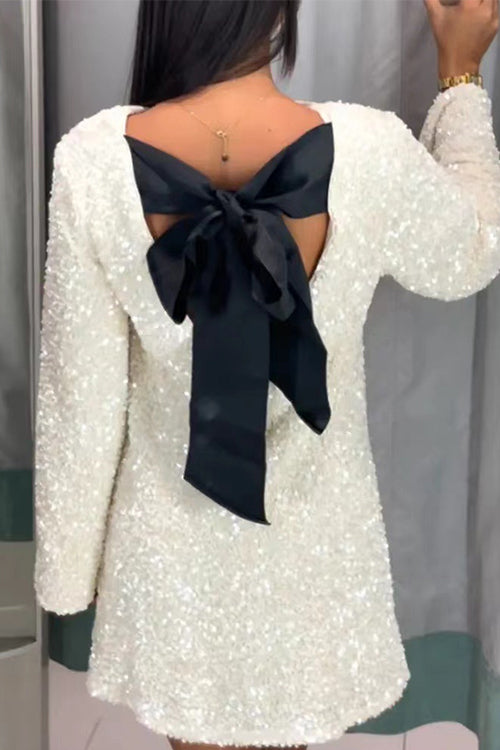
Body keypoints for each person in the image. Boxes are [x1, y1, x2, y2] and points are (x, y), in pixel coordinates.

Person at [34, 0, 500, 748]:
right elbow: (473, 247)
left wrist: (67, 576)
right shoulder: (368, 151)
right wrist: (462, 77)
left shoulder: (92, 162)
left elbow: (79, 404)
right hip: (309, 566)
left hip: (170, 568)